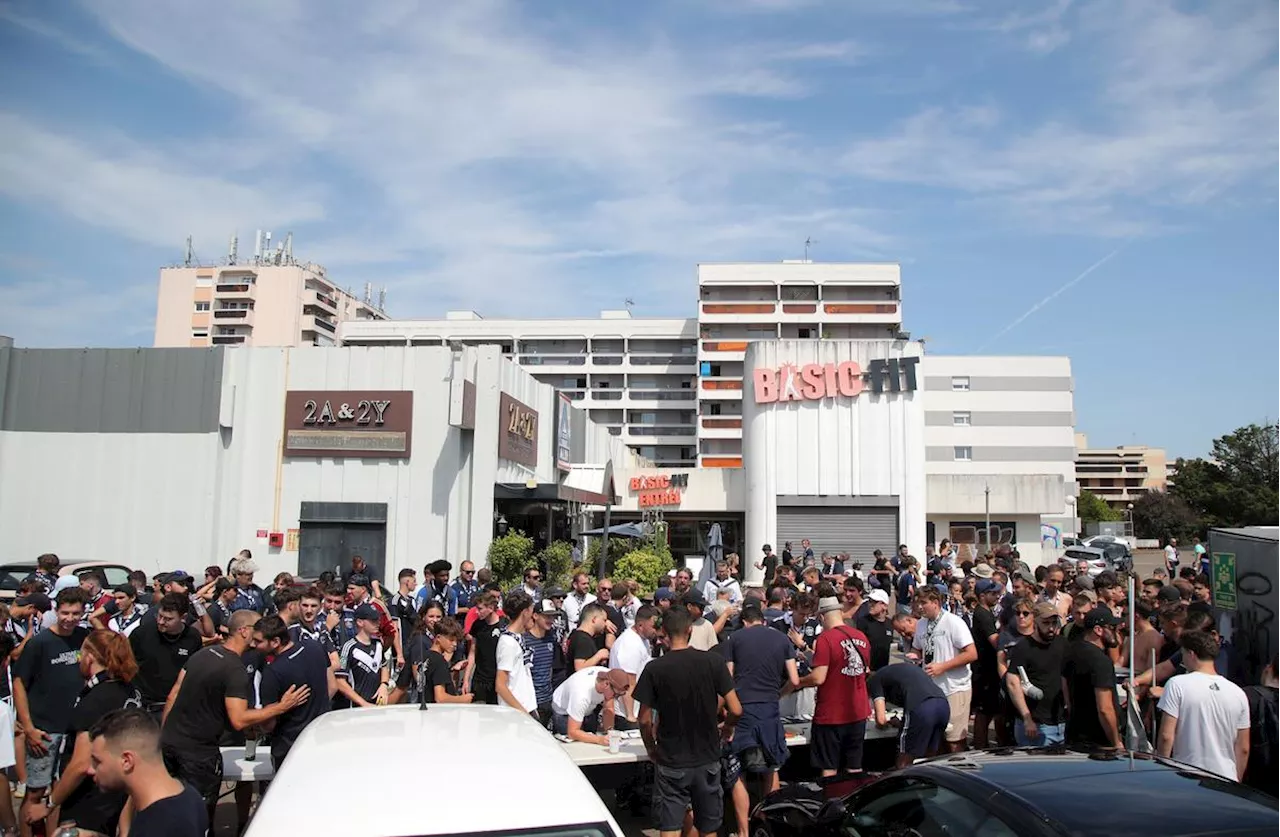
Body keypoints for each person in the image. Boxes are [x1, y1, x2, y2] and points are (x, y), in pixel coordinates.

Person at [162, 610, 311, 822]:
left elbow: (173, 695)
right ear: (243, 631)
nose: (260, 633)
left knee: (170, 805)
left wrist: (164, 735)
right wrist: (281, 706)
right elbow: (239, 719)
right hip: (198, 754)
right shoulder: (234, 669)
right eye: (256, 628)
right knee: (199, 814)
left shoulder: (203, 654)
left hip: (170, 743)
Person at [635, 607, 742, 837]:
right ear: (690, 630)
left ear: (663, 631)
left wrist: (651, 748)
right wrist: (728, 726)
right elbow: (736, 708)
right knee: (709, 826)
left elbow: (643, 719)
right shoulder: (713, 662)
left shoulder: (654, 668)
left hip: (671, 759)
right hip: (707, 756)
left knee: (669, 826)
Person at [24, 630, 141, 836]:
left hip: (88, 802)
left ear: (89, 657)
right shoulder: (130, 691)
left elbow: (80, 764)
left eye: (80, 655)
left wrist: (48, 805)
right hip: (119, 794)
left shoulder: (94, 700)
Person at [13, 587, 90, 836]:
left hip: (73, 729)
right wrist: (29, 728)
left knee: (60, 792)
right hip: (44, 730)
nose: (70, 618)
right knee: (35, 791)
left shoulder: (84, 637)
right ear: (56, 611)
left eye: (76, 613)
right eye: (65, 613)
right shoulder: (40, 643)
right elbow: (19, 684)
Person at [720, 603, 798, 837]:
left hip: (742, 711)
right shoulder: (782, 639)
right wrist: (778, 693)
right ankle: (768, 827)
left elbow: (728, 680)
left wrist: (727, 715)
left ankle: (743, 832)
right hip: (770, 711)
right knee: (771, 769)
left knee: (737, 772)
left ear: (744, 621)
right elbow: (795, 680)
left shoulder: (734, 639)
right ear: (762, 620)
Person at [89, 708, 208, 837]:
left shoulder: (156, 827)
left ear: (127, 761)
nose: (90, 769)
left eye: (97, 761)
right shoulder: (189, 795)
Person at [1157, 630, 1250, 781]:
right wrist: (1236, 781)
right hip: (1226, 779)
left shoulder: (1177, 684)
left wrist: (1162, 770)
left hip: (1186, 776)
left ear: (1191, 654)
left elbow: (1166, 736)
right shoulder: (1238, 693)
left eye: (1183, 655)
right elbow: (1243, 748)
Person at [799, 596, 871, 776]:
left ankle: (831, 801)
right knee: (855, 766)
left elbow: (818, 678)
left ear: (822, 617)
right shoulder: (861, 636)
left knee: (829, 767)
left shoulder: (826, 638)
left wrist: (796, 682)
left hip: (831, 713)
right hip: (858, 711)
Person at [254, 615, 334, 769]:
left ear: (276, 642)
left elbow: (268, 725)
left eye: (258, 641)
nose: (253, 645)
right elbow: (333, 686)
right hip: (320, 739)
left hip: (289, 749)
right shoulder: (314, 647)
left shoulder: (272, 673)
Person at [912, 588, 977, 752]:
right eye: (918, 602)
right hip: (932, 690)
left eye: (924, 603)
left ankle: (960, 772)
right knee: (936, 738)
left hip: (954, 688)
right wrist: (913, 656)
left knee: (954, 740)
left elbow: (971, 654)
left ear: (936, 603)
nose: (920, 607)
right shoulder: (921, 624)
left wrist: (943, 666)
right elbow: (917, 649)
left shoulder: (953, 622)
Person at [130, 593, 203, 722]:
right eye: (159, 616)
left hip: (175, 707)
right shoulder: (142, 633)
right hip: (144, 707)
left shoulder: (193, 638)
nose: (161, 622)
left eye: (168, 619)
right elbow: (126, 663)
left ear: (183, 617)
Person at [1004, 602, 1067, 746]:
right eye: (1046, 623)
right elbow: (1013, 683)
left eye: (1053, 623)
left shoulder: (1062, 644)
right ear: (1036, 621)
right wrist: (1027, 718)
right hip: (1035, 726)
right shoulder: (1023, 648)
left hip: (1060, 723)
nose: (1051, 628)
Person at [1062, 607, 1124, 751]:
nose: (1117, 632)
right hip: (1099, 743)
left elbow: (1065, 686)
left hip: (1074, 737)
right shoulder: (1101, 661)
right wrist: (1116, 742)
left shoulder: (1071, 651)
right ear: (1098, 630)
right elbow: (1105, 708)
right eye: (1113, 628)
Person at [868, 663, 949, 767]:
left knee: (904, 762)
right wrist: (901, 724)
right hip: (942, 704)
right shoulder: (897, 671)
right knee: (929, 760)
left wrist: (881, 724)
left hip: (921, 707)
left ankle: (902, 780)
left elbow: (881, 720)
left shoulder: (875, 681)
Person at [390, 617, 472, 705]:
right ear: (438, 638)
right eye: (451, 640)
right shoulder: (439, 661)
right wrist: (464, 699)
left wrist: (453, 670)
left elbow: (401, 690)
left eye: (456, 641)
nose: (455, 644)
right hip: (439, 714)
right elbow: (440, 698)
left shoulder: (422, 657)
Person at [550, 666, 629, 744]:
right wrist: (599, 740)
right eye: (616, 694)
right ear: (606, 684)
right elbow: (572, 732)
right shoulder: (581, 695)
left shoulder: (611, 676)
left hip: (588, 709)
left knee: (591, 739)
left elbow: (609, 709)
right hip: (565, 712)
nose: (616, 698)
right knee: (577, 746)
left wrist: (610, 732)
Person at [335, 603, 390, 708]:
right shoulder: (348, 647)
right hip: (356, 708)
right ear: (360, 622)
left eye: (378, 619)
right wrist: (363, 703)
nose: (378, 623)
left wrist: (384, 685)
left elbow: (384, 666)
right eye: (373, 620)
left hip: (378, 705)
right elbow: (340, 681)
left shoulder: (378, 644)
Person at [495, 591, 538, 717]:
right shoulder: (507, 642)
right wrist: (523, 713)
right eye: (531, 611)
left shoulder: (518, 637)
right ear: (525, 612)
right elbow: (500, 684)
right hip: (515, 713)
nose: (533, 616)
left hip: (527, 706)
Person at [855, 589, 894, 671]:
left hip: (884, 670)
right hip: (867, 670)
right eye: (869, 601)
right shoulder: (862, 622)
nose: (870, 605)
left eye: (874, 602)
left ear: (884, 605)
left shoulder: (890, 624)